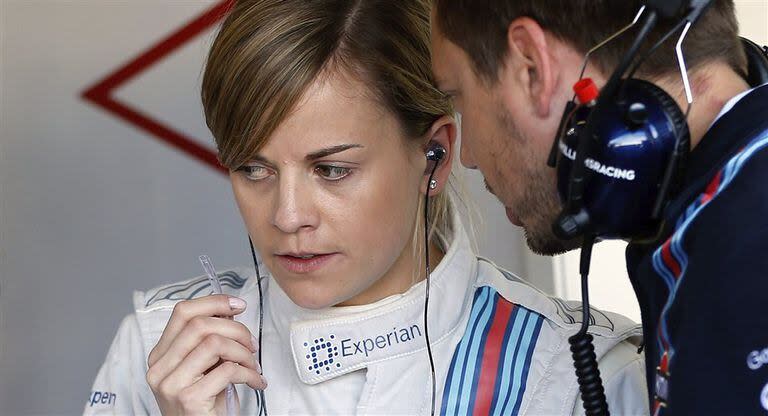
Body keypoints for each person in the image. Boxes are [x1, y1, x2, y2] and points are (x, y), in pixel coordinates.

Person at [84, 1, 649, 415]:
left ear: (438, 154)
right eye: (253, 169)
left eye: (332, 170)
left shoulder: (582, 372)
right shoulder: (160, 352)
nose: (287, 217)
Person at [430, 0, 768, 414]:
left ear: (532, 67)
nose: (468, 157)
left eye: (458, 98)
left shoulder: (742, 255)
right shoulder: (720, 211)